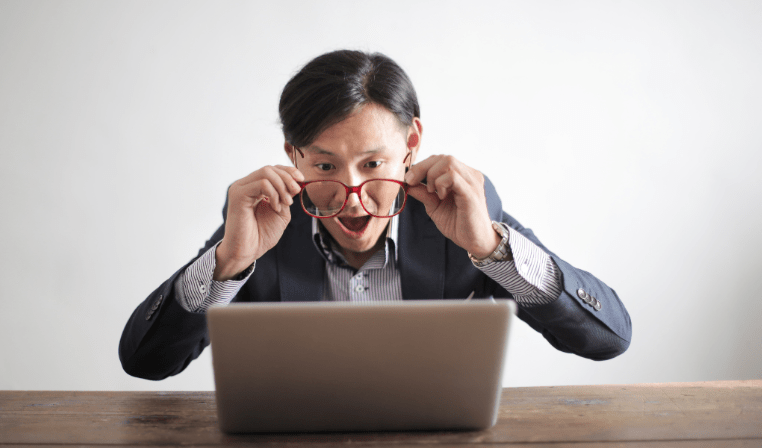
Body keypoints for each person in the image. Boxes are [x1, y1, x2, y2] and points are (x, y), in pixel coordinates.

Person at [119, 50, 631, 380]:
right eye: (324, 165)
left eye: (373, 164)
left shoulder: (462, 211)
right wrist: (228, 262)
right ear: (292, 156)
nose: (352, 194)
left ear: (410, 146)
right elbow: (145, 362)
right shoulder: (265, 221)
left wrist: (491, 250)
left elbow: (608, 339)